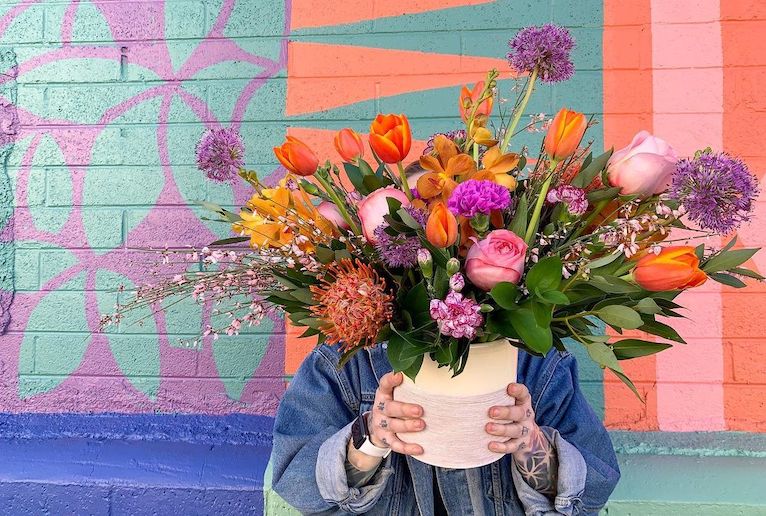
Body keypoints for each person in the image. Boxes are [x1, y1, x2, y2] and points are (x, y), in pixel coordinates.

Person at [271, 341, 620, 515]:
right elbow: (295, 484)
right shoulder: (347, 361)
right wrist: (371, 437)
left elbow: (591, 491)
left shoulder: (534, 363)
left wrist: (531, 444)